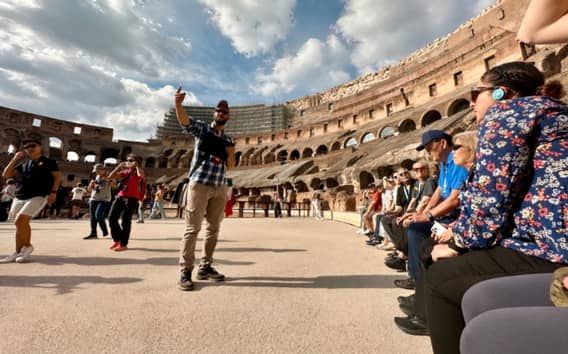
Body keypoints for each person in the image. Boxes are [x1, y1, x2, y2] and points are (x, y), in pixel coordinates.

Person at [416, 62, 567, 354]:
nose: (471, 102)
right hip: (550, 238)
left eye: (477, 93)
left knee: (439, 277)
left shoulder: (508, 114)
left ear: (501, 93)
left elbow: (491, 196)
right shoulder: (549, 113)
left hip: (552, 247)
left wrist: (458, 242)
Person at [174, 87, 235, 291]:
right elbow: (185, 122)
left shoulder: (228, 139)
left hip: (219, 186)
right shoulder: (203, 129)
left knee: (213, 229)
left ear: (228, 117)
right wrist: (178, 104)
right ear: (214, 113)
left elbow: (232, 166)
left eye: (225, 112)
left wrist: (232, 152)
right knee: (192, 228)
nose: (221, 114)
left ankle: (206, 267)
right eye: (219, 110)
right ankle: (185, 270)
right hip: (200, 183)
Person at [0, 138, 61, 263]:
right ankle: (17, 252)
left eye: (33, 145)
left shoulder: (49, 162)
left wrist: (53, 193)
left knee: (20, 220)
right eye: (27, 147)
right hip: (20, 196)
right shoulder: (24, 164)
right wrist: (15, 159)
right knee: (19, 225)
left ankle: (27, 246)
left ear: (40, 147)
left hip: (38, 195)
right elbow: (6, 174)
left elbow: (57, 178)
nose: (30, 148)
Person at [107, 154, 145, 252]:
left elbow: (141, 176)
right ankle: (117, 240)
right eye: (127, 160)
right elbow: (110, 176)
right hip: (120, 196)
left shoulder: (138, 171)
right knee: (111, 218)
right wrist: (119, 166)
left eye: (130, 160)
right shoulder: (125, 171)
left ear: (136, 162)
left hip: (132, 198)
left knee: (125, 221)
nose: (128, 161)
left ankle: (124, 244)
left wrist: (136, 166)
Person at [84, 164, 112, 239]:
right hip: (93, 199)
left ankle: (105, 231)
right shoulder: (95, 177)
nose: (97, 173)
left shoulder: (110, 176)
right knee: (93, 217)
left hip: (104, 199)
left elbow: (115, 186)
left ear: (103, 170)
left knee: (98, 215)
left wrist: (109, 180)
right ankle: (93, 233)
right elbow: (89, 190)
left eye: (98, 171)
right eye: (96, 171)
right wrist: (91, 185)